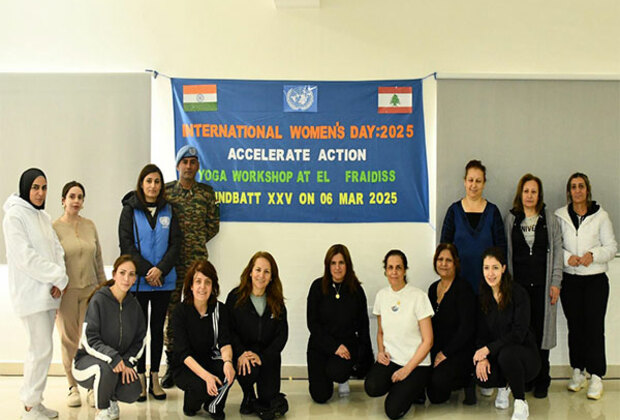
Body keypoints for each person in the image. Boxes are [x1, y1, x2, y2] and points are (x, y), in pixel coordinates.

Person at [3, 168, 69, 420]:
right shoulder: (14, 217)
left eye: (43, 188)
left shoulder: (42, 216)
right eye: (35, 188)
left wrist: (60, 280)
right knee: (39, 350)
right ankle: (29, 407)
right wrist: (58, 277)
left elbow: (57, 250)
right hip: (30, 295)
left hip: (49, 294)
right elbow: (25, 258)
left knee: (43, 349)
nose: (40, 193)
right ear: (25, 188)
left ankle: (35, 402)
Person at [118, 164, 181, 401]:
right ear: (141, 184)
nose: (153, 186)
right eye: (148, 181)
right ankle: (140, 377)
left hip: (164, 281)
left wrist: (160, 270)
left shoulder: (169, 210)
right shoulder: (129, 210)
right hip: (139, 282)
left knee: (158, 330)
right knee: (140, 332)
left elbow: (176, 244)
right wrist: (147, 272)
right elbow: (126, 245)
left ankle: (155, 376)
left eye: (157, 181)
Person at [162, 145, 220, 388]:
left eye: (193, 162)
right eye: (184, 162)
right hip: (172, 265)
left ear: (198, 166)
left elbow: (213, 226)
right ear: (177, 165)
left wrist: (194, 242)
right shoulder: (165, 193)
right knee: (173, 313)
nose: (188, 166)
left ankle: (198, 362)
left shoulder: (207, 193)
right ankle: (172, 365)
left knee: (199, 312)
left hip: (197, 266)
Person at [555, 172, 617, 400]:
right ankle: (578, 372)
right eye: (573, 187)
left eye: (581, 186)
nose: (577, 190)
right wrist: (566, 257)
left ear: (587, 190)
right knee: (575, 327)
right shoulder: (560, 216)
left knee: (594, 328)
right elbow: (555, 246)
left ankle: (597, 376)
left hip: (595, 281)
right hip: (571, 280)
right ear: (569, 191)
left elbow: (611, 247)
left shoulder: (601, 216)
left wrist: (594, 254)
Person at [505, 174, 563, 398]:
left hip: (543, 286)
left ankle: (543, 379)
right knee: (523, 332)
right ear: (521, 194)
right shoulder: (511, 219)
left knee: (542, 335)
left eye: (534, 192)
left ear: (539, 195)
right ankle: (527, 376)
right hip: (519, 289)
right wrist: (508, 287)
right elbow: (508, 253)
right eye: (526, 191)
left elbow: (557, 252)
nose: (529, 196)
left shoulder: (549, 218)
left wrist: (556, 282)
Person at [72, 255, 147, 420]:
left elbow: (140, 341)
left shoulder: (134, 307)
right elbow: (89, 339)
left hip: (117, 363)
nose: (126, 279)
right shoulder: (99, 300)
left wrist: (126, 362)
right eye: (122, 273)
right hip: (86, 362)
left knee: (133, 389)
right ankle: (102, 409)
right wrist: (113, 357)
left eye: (131, 274)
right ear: (114, 275)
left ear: (135, 278)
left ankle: (111, 399)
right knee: (105, 369)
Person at [53, 181, 107, 408]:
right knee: (69, 340)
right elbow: (51, 260)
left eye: (80, 197)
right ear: (63, 200)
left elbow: (98, 259)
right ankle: (72, 385)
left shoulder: (90, 225)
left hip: (91, 289)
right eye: (72, 196)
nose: (76, 201)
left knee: (89, 339)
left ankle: (90, 386)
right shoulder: (53, 227)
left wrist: (105, 287)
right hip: (66, 291)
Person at [364, 250, 433, 420]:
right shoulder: (382, 296)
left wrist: (406, 370)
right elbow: (380, 332)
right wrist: (380, 352)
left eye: (398, 267)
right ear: (385, 271)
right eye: (390, 268)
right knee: (371, 387)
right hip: (392, 359)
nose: (394, 272)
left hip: (416, 364)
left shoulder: (418, 297)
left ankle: (414, 388)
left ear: (405, 270)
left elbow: (428, 341)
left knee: (392, 412)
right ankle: (401, 388)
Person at [473, 247, 540, 420]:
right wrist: (483, 357)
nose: (490, 273)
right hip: (497, 354)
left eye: (495, 267)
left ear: (503, 268)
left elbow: (518, 333)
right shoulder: (482, 296)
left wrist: (488, 349)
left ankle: (520, 402)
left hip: (524, 357)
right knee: (481, 375)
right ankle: (503, 386)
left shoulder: (518, 293)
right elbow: (480, 333)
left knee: (507, 354)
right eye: (486, 268)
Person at [306, 244, 373, 403]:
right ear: (327, 265)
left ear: (347, 265)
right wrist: (333, 347)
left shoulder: (356, 290)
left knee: (337, 372)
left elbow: (363, 326)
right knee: (320, 396)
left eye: (341, 263)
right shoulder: (317, 287)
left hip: (346, 346)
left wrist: (366, 359)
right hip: (320, 345)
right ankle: (326, 378)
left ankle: (342, 378)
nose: (337, 267)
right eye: (333, 263)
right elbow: (312, 324)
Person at [226, 252, 289, 420]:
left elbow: (282, 336)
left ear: (272, 277)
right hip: (244, 354)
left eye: (266, 272)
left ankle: (261, 397)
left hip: (267, 356)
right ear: (250, 272)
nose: (261, 275)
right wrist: (240, 353)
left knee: (269, 398)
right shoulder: (235, 297)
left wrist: (263, 357)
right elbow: (228, 330)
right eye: (258, 270)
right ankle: (248, 395)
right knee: (248, 371)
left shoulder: (277, 303)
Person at [170, 259, 235, 419]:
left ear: (213, 287)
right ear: (191, 286)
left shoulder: (220, 309)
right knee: (200, 387)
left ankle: (213, 406)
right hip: (185, 365)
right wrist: (207, 377)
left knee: (228, 372)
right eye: (198, 281)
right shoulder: (180, 312)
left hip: (209, 358)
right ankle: (191, 402)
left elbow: (225, 341)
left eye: (207, 282)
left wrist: (228, 363)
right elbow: (182, 353)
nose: (202, 287)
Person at [440, 159, 506, 294]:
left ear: (484, 184)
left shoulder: (493, 212)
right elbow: (444, 249)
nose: (474, 185)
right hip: (459, 285)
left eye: (478, 181)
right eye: (470, 180)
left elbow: (502, 250)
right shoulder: (453, 211)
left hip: (488, 285)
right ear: (465, 182)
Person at [426, 243, 476, 405]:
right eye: (440, 259)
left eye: (448, 260)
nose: (443, 264)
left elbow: (466, 329)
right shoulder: (433, 289)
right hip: (437, 348)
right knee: (434, 396)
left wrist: (444, 353)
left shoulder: (463, 289)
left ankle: (467, 380)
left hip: (459, 350)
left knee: (439, 382)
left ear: (455, 263)